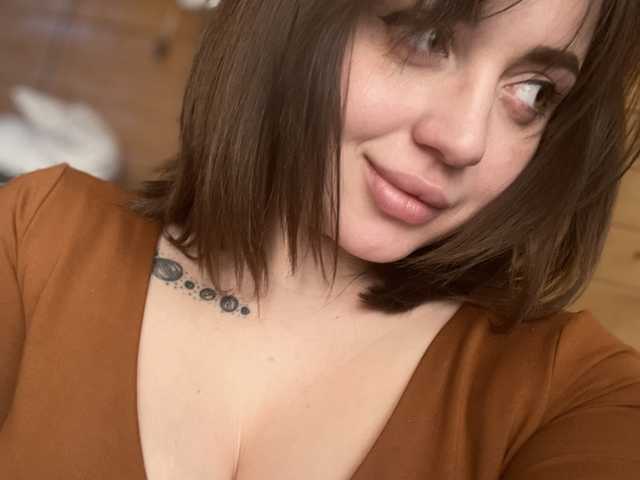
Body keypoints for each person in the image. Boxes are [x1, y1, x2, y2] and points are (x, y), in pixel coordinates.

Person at [2, 0, 640, 478]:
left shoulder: (571, 396)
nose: (465, 140)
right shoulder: (38, 237)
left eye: (533, 92)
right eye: (428, 36)